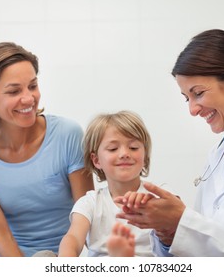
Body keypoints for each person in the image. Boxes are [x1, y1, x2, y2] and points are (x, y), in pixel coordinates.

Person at [116, 29, 224, 256]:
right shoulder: (219, 155)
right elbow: (204, 245)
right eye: (187, 98)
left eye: (198, 93)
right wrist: (168, 231)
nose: (193, 110)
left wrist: (182, 222)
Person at [0, 42, 94, 257]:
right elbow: (0, 234)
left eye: (33, 86)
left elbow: (86, 214)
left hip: (61, 257)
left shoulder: (67, 134)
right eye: (14, 91)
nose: (28, 98)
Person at [58, 110, 156, 257]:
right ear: (96, 160)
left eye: (133, 147)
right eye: (113, 149)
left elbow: (176, 236)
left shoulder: (159, 196)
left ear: (144, 154)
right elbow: (72, 238)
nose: (124, 153)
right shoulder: (90, 203)